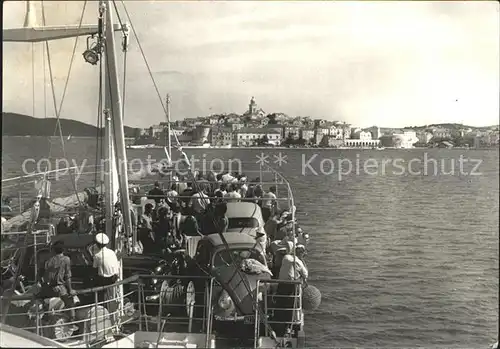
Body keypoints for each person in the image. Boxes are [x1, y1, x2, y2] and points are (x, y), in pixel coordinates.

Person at [38, 240, 76, 322]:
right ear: (63, 250)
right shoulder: (66, 259)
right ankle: (73, 320)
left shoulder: (48, 261)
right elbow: (67, 276)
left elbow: (40, 275)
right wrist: (70, 290)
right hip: (59, 288)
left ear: (53, 250)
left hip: (47, 288)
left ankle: (46, 315)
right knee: (70, 301)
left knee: (40, 298)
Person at [275, 242, 308, 335]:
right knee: (292, 305)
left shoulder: (286, 258)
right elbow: (305, 274)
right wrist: (300, 261)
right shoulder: (295, 260)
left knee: (281, 304)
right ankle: (289, 326)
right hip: (291, 287)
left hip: (281, 286)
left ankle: (281, 325)